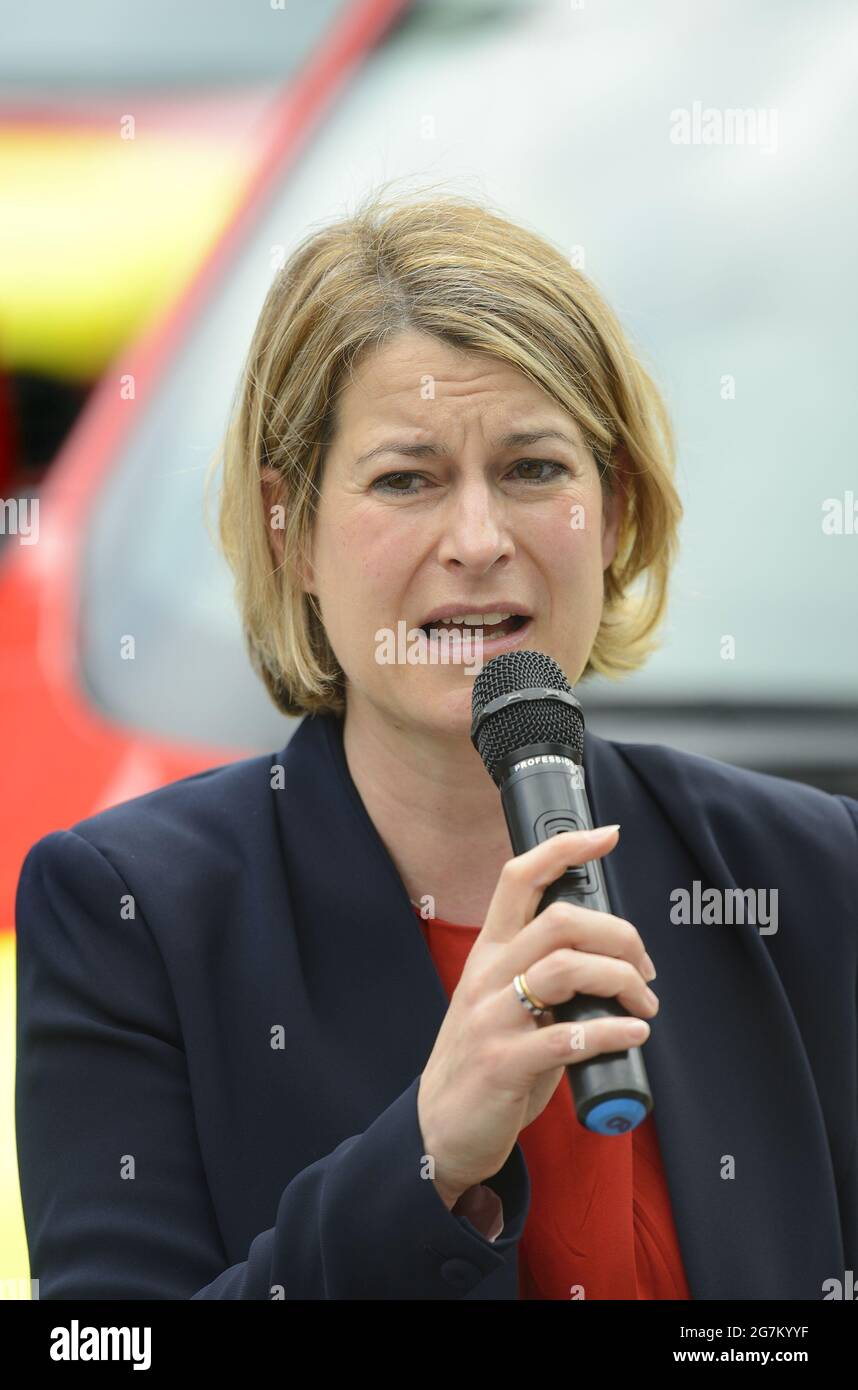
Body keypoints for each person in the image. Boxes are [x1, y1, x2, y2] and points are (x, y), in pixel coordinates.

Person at [15, 187, 858, 1301]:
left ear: (612, 509)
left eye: (534, 469)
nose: (478, 539)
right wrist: (424, 1157)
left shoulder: (808, 872)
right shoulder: (129, 916)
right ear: (291, 529)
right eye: (406, 478)